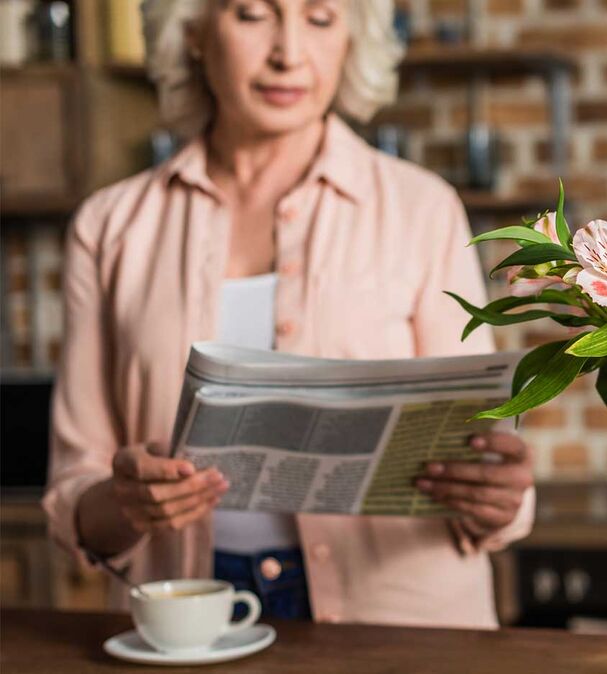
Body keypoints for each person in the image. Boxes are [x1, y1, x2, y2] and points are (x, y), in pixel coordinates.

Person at [42, 0, 534, 628]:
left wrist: (498, 495)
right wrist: (126, 500)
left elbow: (483, 448)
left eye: (321, 19)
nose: (289, 52)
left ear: (352, 40)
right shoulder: (109, 227)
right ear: (192, 32)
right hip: (186, 628)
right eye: (253, 15)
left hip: (404, 629)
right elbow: (74, 495)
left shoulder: (423, 210)